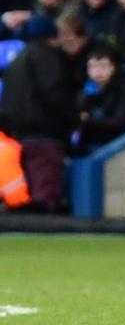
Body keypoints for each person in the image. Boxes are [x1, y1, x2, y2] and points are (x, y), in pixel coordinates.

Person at [0, 14, 76, 213]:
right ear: (50, 36)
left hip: (19, 136)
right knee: (44, 197)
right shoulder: (48, 58)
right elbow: (55, 94)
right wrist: (73, 119)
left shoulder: (15, 62)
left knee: (29, 195)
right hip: (46, 136)